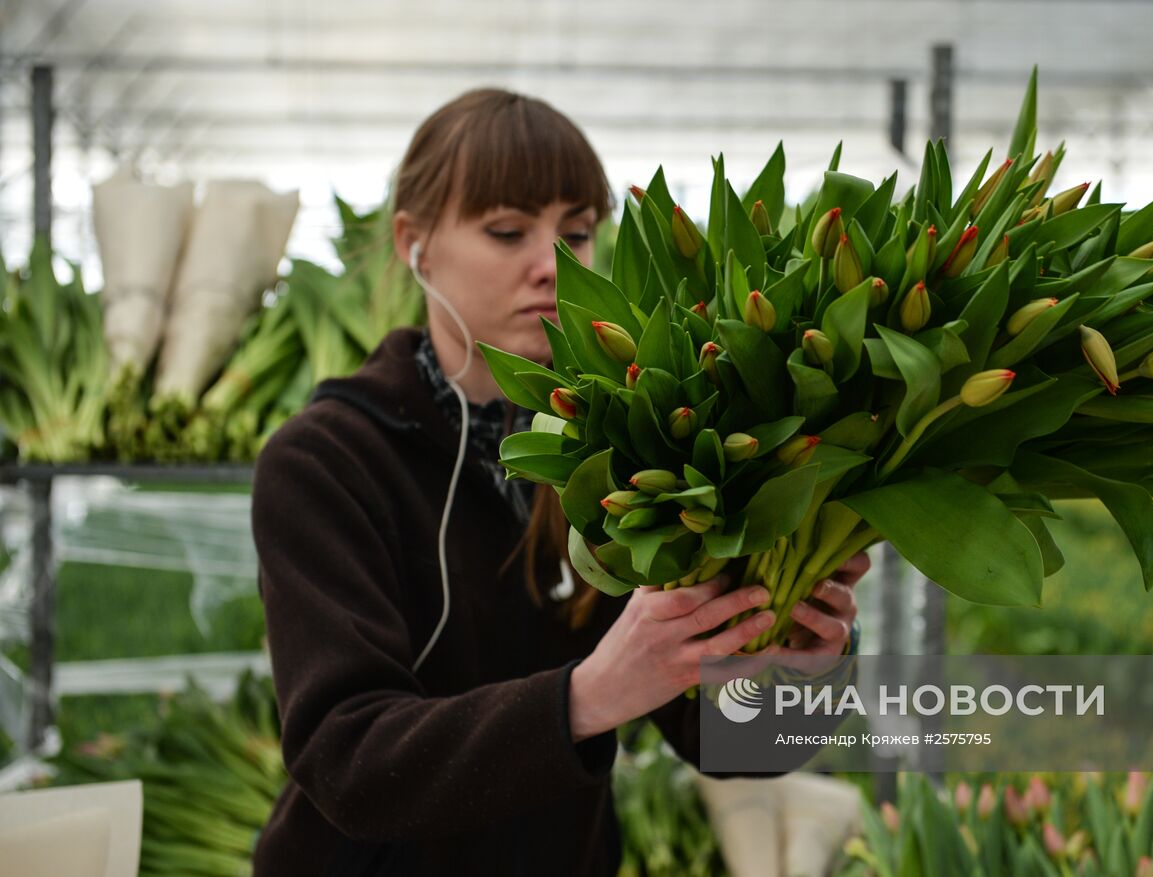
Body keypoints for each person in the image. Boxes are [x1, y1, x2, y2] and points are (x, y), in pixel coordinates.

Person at [249, 87, 868, 876]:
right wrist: (590, 694)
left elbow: (724, 745)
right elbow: (347, 756)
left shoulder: (619, 446)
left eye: (576, 232)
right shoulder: (326, 459)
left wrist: (799, 670)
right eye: (507, 231)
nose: (552, 265)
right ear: (416, 243)